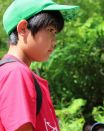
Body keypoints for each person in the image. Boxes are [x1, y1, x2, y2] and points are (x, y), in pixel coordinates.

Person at [0, 0, 78, 130]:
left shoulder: (16, 73)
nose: (54, 41)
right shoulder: (16, 73)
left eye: (55, 33)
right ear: (23, 28)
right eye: (50, 30)